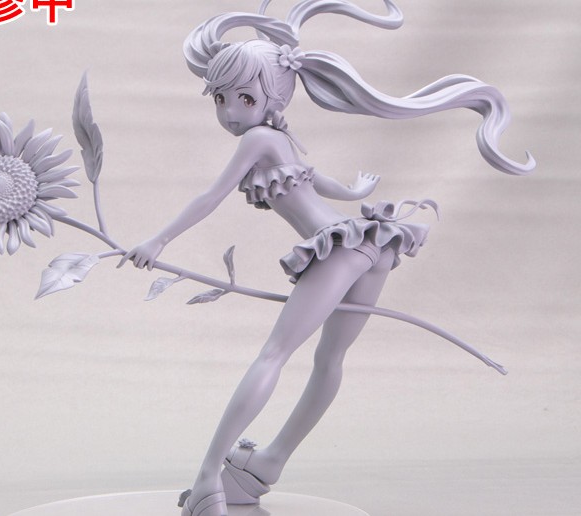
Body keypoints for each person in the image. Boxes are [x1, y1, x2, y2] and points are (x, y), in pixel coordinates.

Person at [121, 1, 534, 514]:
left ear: (273, 97)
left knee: (274, 355)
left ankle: (208, 478)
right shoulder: (279, 137)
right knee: (328, 360)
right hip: (372, 244)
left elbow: (210, 197)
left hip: (338, 246)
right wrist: (353, 190)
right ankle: (267, 464)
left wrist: (159, 240)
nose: (229, 112)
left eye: (244, 98)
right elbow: (312, 178)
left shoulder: (258, 138)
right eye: (220, 98)